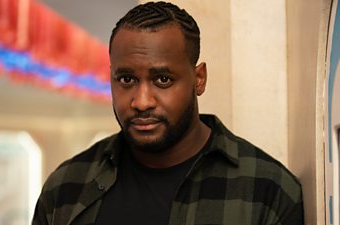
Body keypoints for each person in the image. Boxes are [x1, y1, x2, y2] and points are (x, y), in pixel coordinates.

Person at [32, 1, 304, 225]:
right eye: (126, 80)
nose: (141, 102)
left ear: (199, 79)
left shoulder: (266, 189)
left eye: (162, 79)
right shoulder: (66, 188)